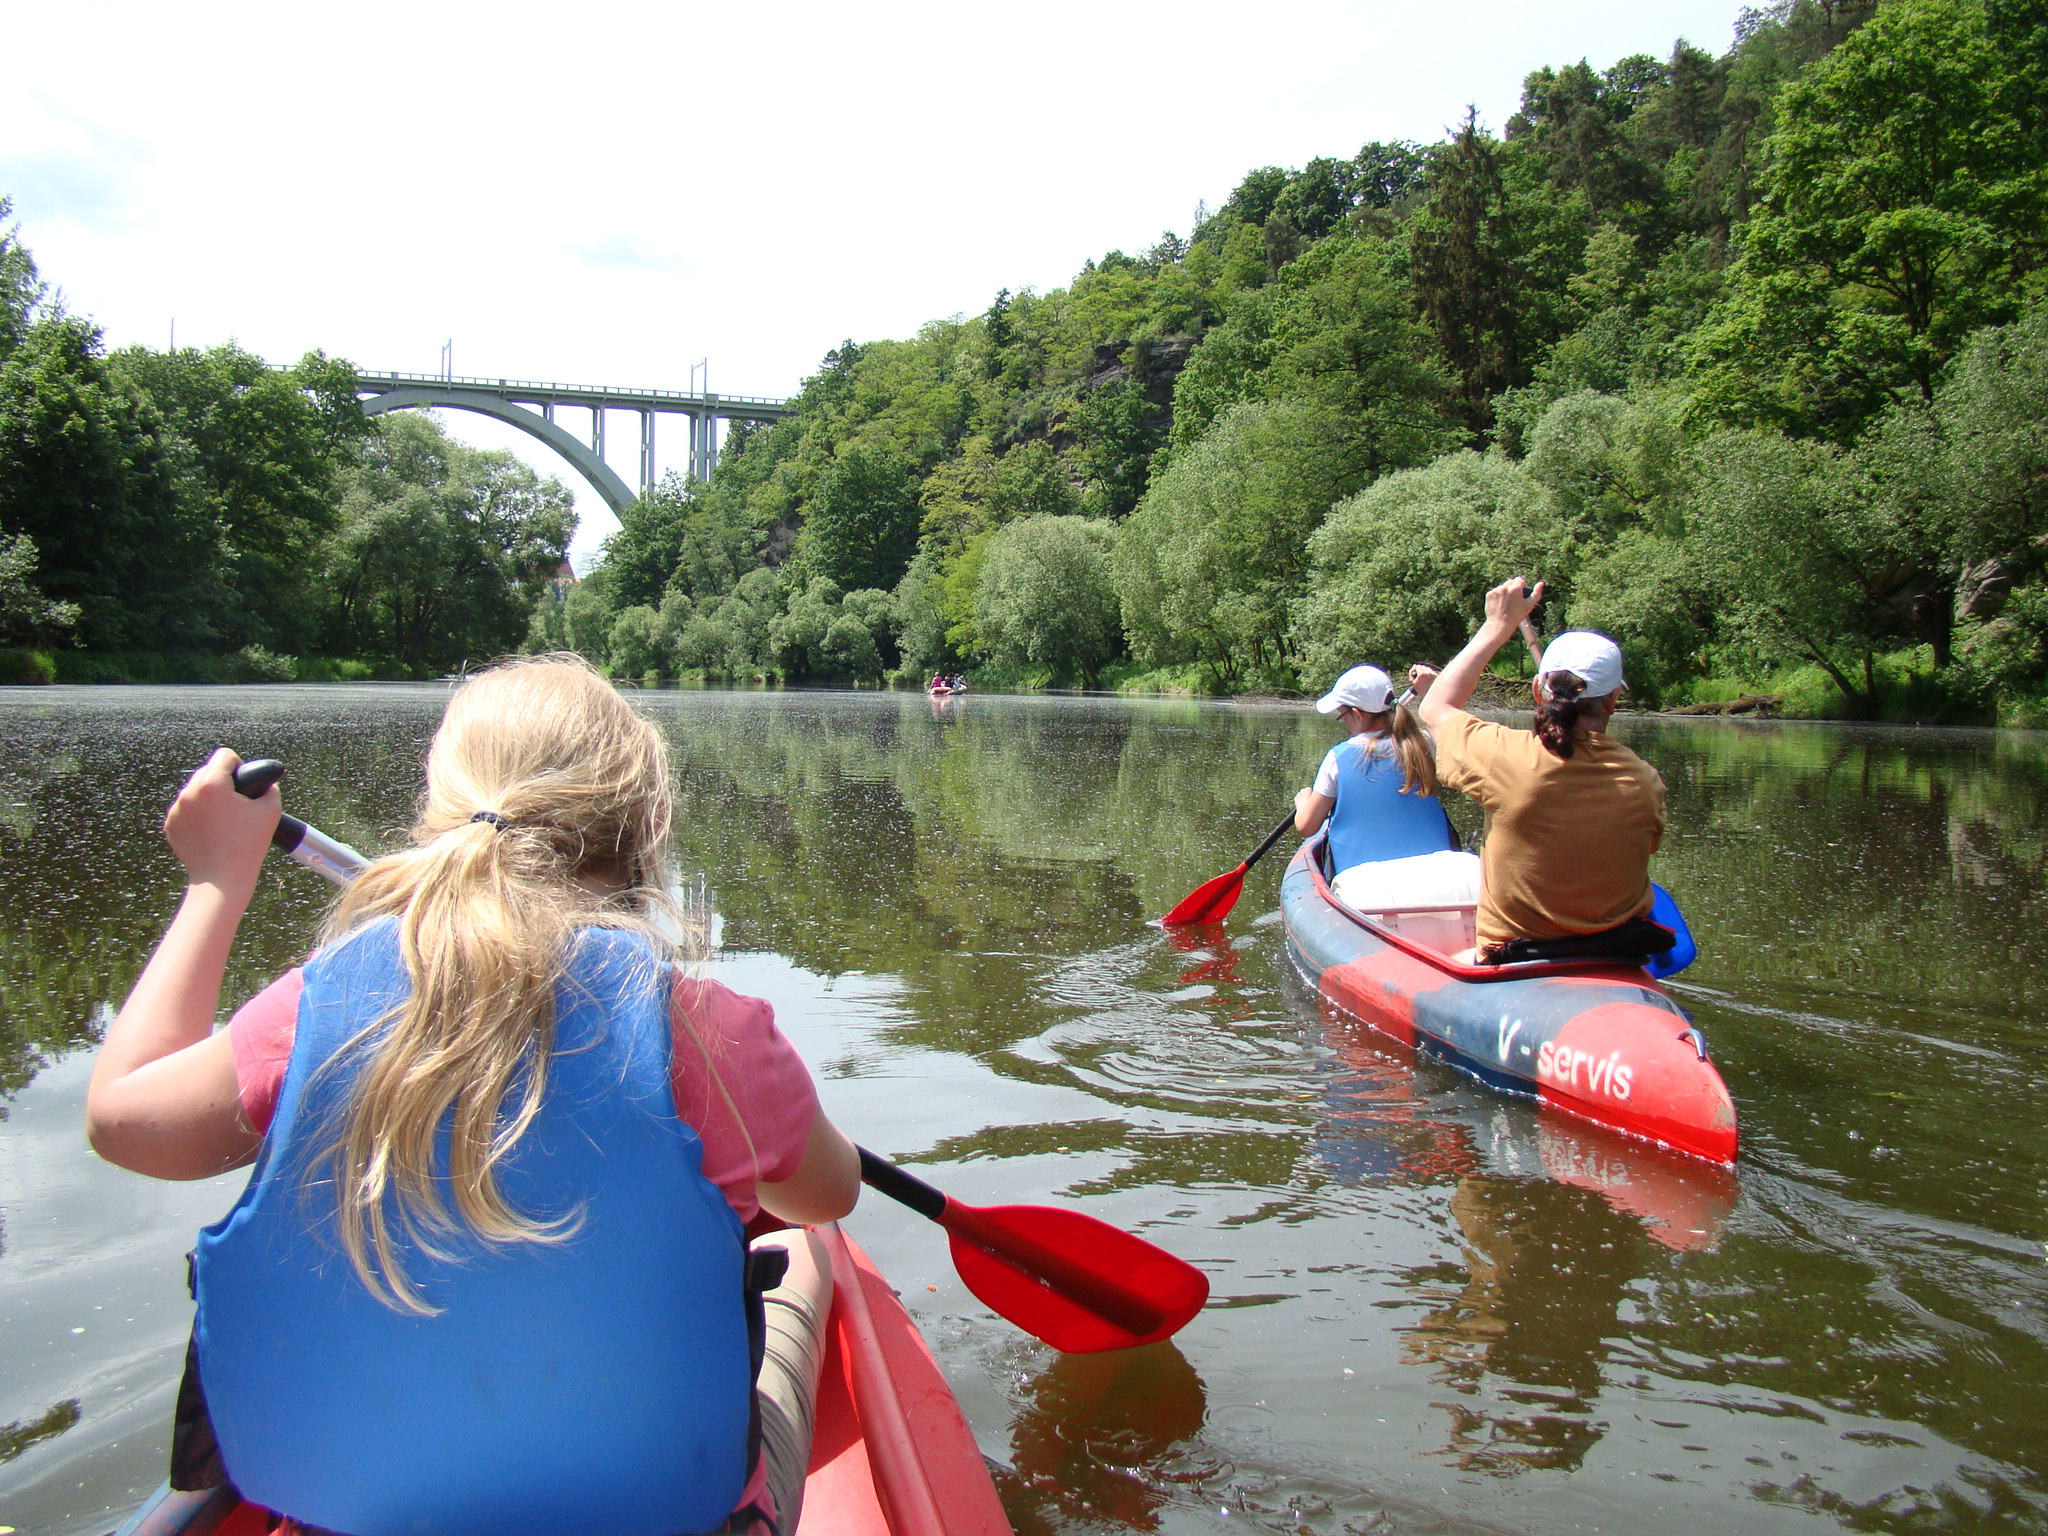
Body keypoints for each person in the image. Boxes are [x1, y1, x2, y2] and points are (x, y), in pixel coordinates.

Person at [84, 655, 860, 1536]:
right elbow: (828, 1196)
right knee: (802, 1255)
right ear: (643, 834)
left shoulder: (311, 1012)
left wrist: (216, 881)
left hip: (352, 1515)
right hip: (665, 1517)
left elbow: (120, 1120)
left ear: (437, 813)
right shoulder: (716, 1032)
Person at [1415, 577, 1668, 963]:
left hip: (1514, 957)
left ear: (1538, 691)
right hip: (1614, 955)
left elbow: (1434, 707)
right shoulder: (1646, 781)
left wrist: (1497, 626)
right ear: (1614, 700)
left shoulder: (1503, 755)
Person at [1293, 663, 1457, 872]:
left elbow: (1307, 826)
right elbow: (1449, 718)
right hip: (1435, 872)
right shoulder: (1424, 744)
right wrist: (1431, 690)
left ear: (1357, 715)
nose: (1342, 721)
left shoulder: (1337, 758)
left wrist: (1303, 803)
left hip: (1361, 882)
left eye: (1341, 716)